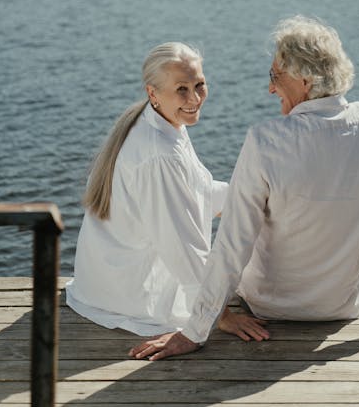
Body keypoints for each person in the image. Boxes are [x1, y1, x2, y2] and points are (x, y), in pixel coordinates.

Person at [129, 17, 359, 360]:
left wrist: (194, 332)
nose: (271, 89)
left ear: (305, 80)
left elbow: (232, 244)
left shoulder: (266, 140)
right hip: (341, 306)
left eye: (275, 76)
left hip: (269, 306)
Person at [66, 41, 264, 339]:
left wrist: (259, 196)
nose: (195, 98)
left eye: (200, 84)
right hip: (129, 296)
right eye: (182, 89)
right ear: (152, 93)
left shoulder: (160, 123)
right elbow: (183, 246)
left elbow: (198, 190)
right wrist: (218, 315)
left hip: (101, 283)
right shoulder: (159, 153)